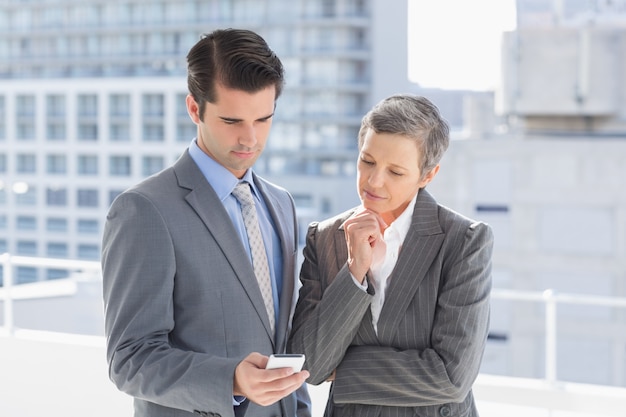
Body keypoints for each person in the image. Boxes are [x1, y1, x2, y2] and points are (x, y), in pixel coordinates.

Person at [101, 28, 310, 417]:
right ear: (195, 109)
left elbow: (281, 339)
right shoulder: (144, 210)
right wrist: (230, 379)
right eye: (232, 120)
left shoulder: (281, 204)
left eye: (263, 119)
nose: (250, 139)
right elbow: (130, 359)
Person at [288, 94, 494, 417]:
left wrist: (344, 371)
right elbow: (308, 365)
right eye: (367, 161)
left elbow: (453, 376)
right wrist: (354, 272)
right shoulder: (325, 237)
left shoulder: (463, 242)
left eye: (395, 172)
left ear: (427, 175)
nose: (374, 181)